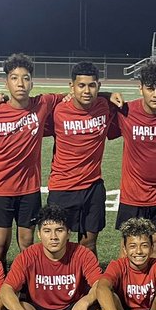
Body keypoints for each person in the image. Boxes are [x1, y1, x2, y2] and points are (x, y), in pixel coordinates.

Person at [0, 53, 63, 265]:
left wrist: (107, 95)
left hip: (29, 188)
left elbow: (78, 96)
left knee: (27, 243)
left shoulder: (43, 104)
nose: (20, 83)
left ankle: (27, 288)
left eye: (25, 78)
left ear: (32, 82)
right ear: (6, 82)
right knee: (0, 244)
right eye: (14, 78)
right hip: (0, 187)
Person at [111, 60, 156, 259]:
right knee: (129, 245)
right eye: (150, 88)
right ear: (140, 88)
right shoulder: (126, 111)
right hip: (133, 193)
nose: (155, 94)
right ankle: (125, 287)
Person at [46, 62, 122, 254]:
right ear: (71, 86)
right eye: (81, 85)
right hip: (62, 188)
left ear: (98, 86)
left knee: (89, 245)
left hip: (92, 186)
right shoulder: (57, 110)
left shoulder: (105, 106)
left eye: (92, 85)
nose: (86, 90)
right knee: (59, 246)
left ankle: (89, 284)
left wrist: (108, 95)